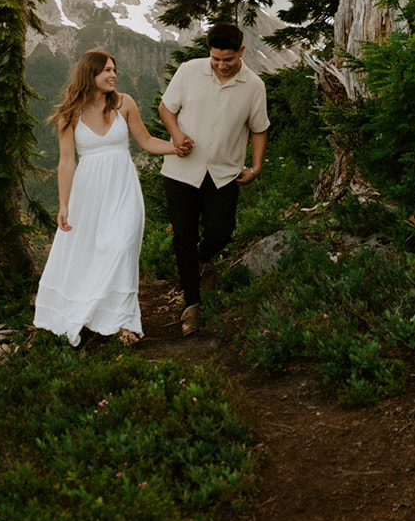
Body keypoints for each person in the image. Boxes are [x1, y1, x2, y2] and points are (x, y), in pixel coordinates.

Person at [33, 49, 186, 347]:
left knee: (121, 247)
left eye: (114, 69)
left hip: (123, 188)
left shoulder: (124, 103)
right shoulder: (70, 114)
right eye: (105, 70)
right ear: (89, 74)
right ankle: (95, 312)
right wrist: (64, 205)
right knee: (95, 251)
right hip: (88, 194)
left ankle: (124, 321)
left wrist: (175, 147)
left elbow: (145, 141)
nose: (112, 75)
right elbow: (66, 162)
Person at [158, 22, 269, 336]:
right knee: (183, 237)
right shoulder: (189, 71)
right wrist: (176, 134)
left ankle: (199, 262)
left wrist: (256, 167)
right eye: (216, 59)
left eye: (228, 60)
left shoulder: (254, 86)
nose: (221, 65)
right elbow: (166, 108)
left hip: (224, 173)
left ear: (241, 53)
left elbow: (260, 128)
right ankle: (191, 303)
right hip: (181, 171)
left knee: (221, 233)